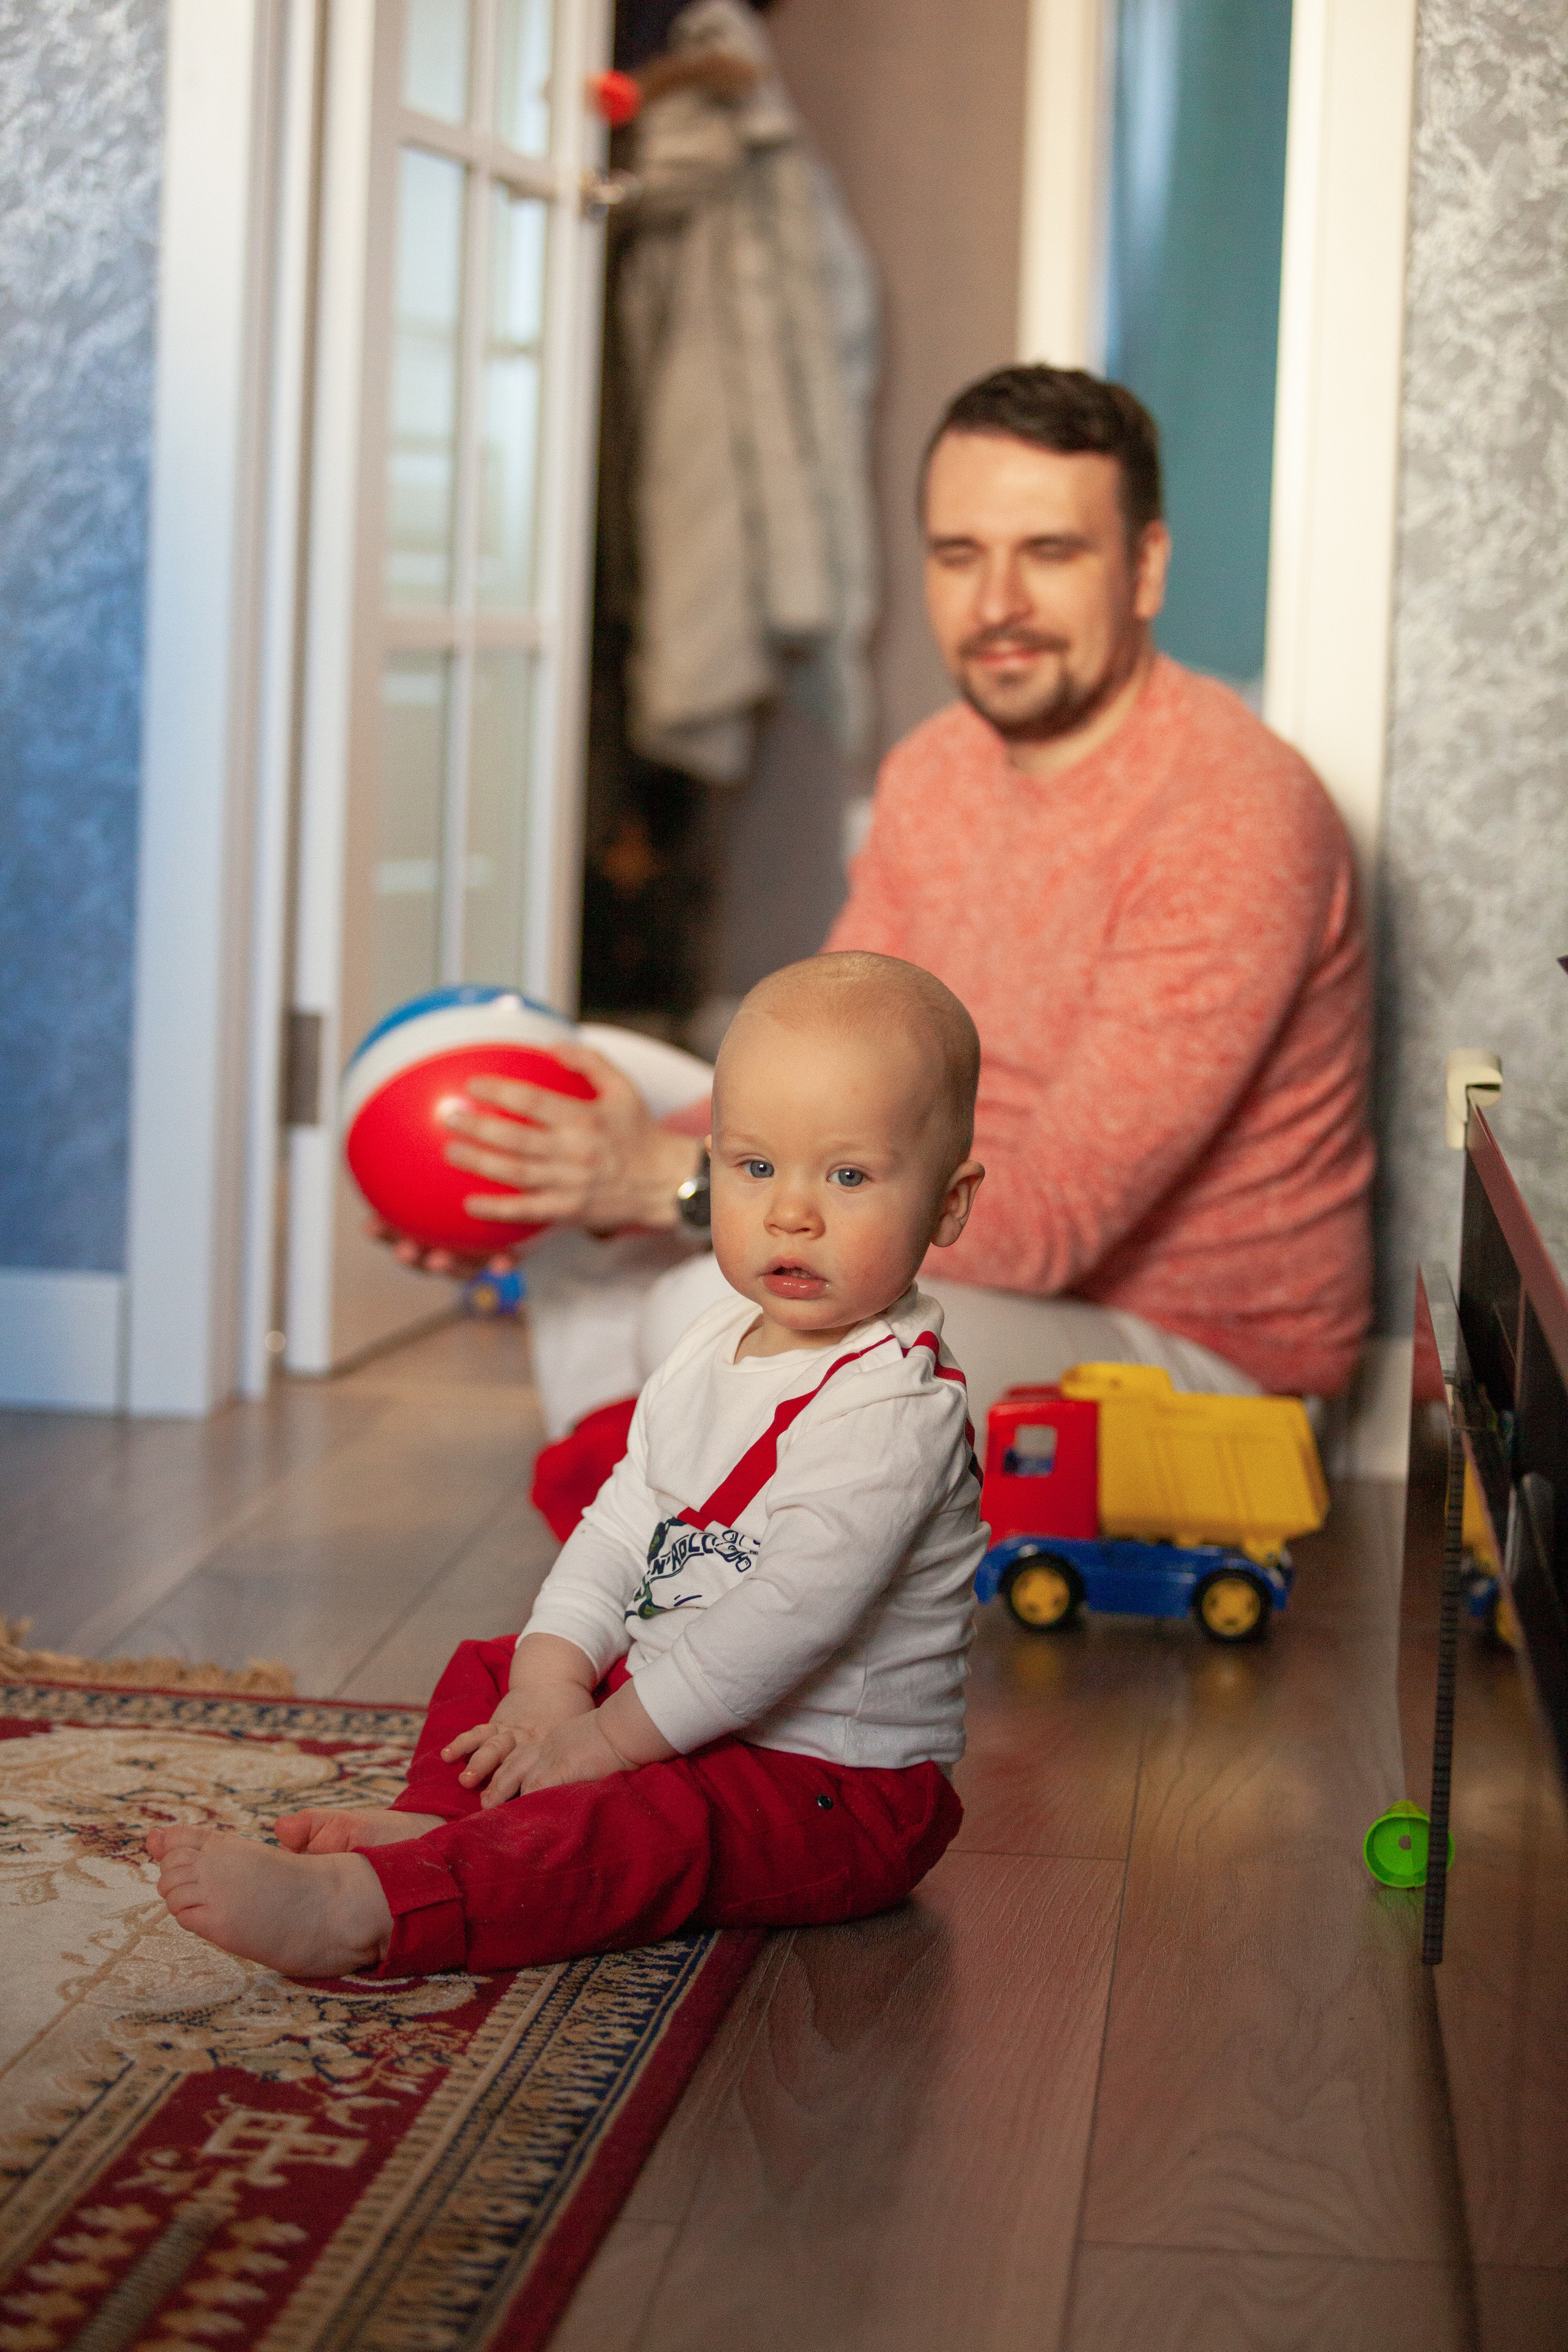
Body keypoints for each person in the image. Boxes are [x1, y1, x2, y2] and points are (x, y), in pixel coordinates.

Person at [149, 954, 986, 1979]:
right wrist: (553, 1686)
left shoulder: (897, 1406)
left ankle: (373, 1912)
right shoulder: (712, 1343)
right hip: (693, 1704)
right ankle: (444, 1833)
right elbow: (624, 1517)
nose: (790, 1214)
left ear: (948, 1205)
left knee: (647, 1821)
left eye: (847, 1176)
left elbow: (786, 1620)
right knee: (500, 1670)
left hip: (832, 1789)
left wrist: (606, 1740)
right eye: (753, 1168)